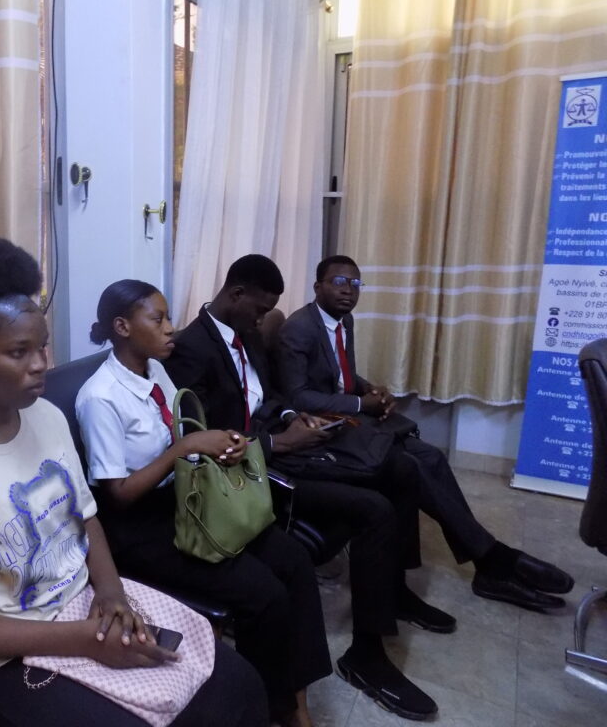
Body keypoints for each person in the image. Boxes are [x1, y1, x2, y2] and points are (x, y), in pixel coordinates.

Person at [0, 236, 268, 727]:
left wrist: (110, 592)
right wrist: (82, 641)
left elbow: (85, 518)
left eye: (41, 346)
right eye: (19, 352)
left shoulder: (45, 417)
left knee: (235, 683)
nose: (41, 364)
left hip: (77, 606)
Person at [165, 254, 452, 721]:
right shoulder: (191, 349)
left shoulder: (246, 333)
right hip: (252, 472)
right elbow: (203, 436)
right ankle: (366, 656)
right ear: (236, 294)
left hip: (285, 445)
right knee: (375, 510)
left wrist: (292, 417)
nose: (265, 321)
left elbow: (270, 397)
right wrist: (277, 442)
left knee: (399, 468)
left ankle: (394, 591)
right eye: (260, 310)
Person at [76, 279, 330, 727]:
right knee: (264, 594)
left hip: (186, 499)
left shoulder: (154, 371)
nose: (170, 328)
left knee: (294, 559)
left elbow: (181, 432)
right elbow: (118, 494)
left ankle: (297, 698)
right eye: (158, 319)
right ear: (122, 327)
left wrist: (218, 443)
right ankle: (271, 707)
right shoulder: (100, 397)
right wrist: (186, 447)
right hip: (139, 526)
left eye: (168, 317)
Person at [278, 255, 575, 611]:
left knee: (431, 456)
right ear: (318, 287)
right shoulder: (299, 328)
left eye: (355, 284)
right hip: (323, 430)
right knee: (410, 467)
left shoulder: (345, 321)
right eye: (339, 282)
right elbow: (297, 395)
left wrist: (370, 389)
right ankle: (492, 560)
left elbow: (341, 375)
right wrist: (360, 404)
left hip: (353, 422)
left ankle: (488, 560)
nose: (348, 291)